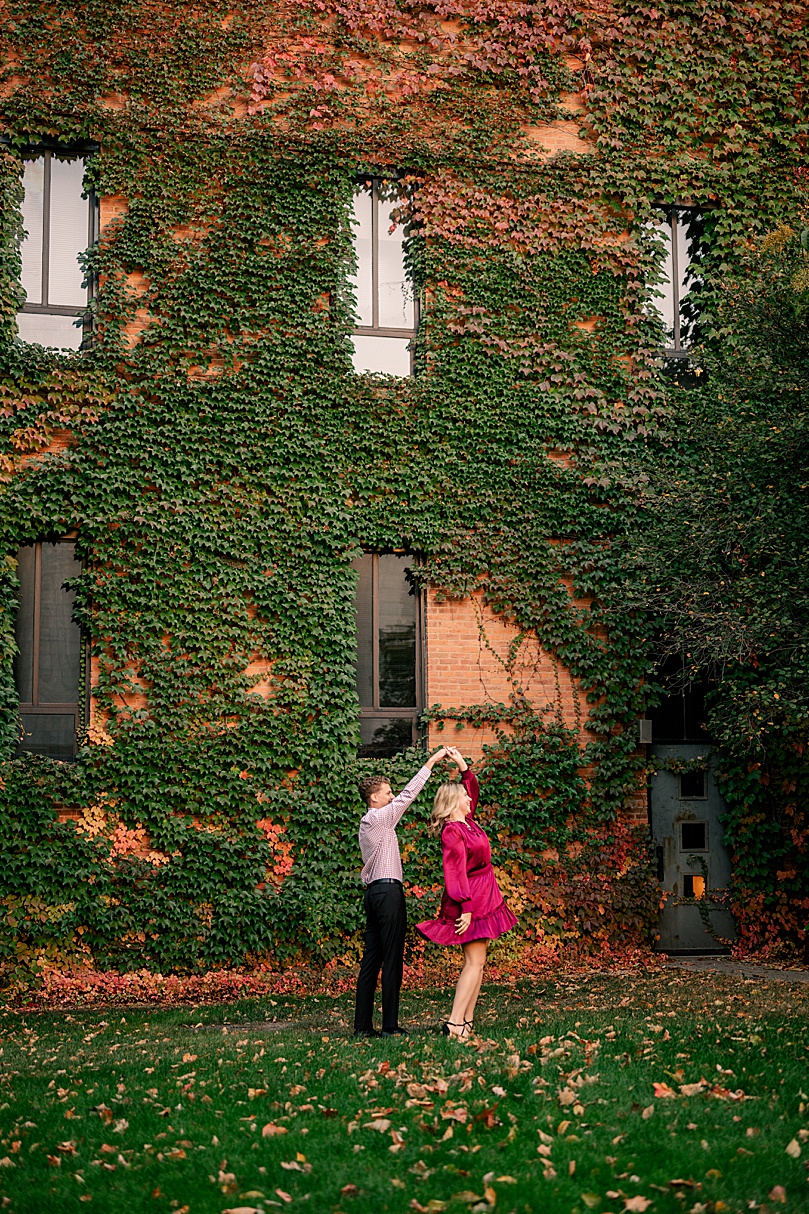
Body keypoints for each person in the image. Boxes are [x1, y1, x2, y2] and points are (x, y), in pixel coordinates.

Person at [416, 746, 517, 1038]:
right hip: (470, 898)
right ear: (453, 803)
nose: (470, 798)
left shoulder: (467, 822)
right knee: (473, 961)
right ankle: (455, 1022)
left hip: (485, 894)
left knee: (480, 961)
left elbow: (471, 785)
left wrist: (462, 764)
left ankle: (467, 1022)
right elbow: (455, 872)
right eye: (464, 796)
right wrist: (467, 907)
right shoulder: (453, 830)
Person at [353, 745, 449, 1038]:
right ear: (374, 798)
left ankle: (363, 1027)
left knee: (372, 960)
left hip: (374, 894)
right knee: (392, 958)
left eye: (391, 792)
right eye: (387, 793)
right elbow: (409, 795)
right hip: (388, 893)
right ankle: (390, 1026)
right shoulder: (378, 817)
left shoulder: (370, 823)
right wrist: (431, 761)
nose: (392, 796)